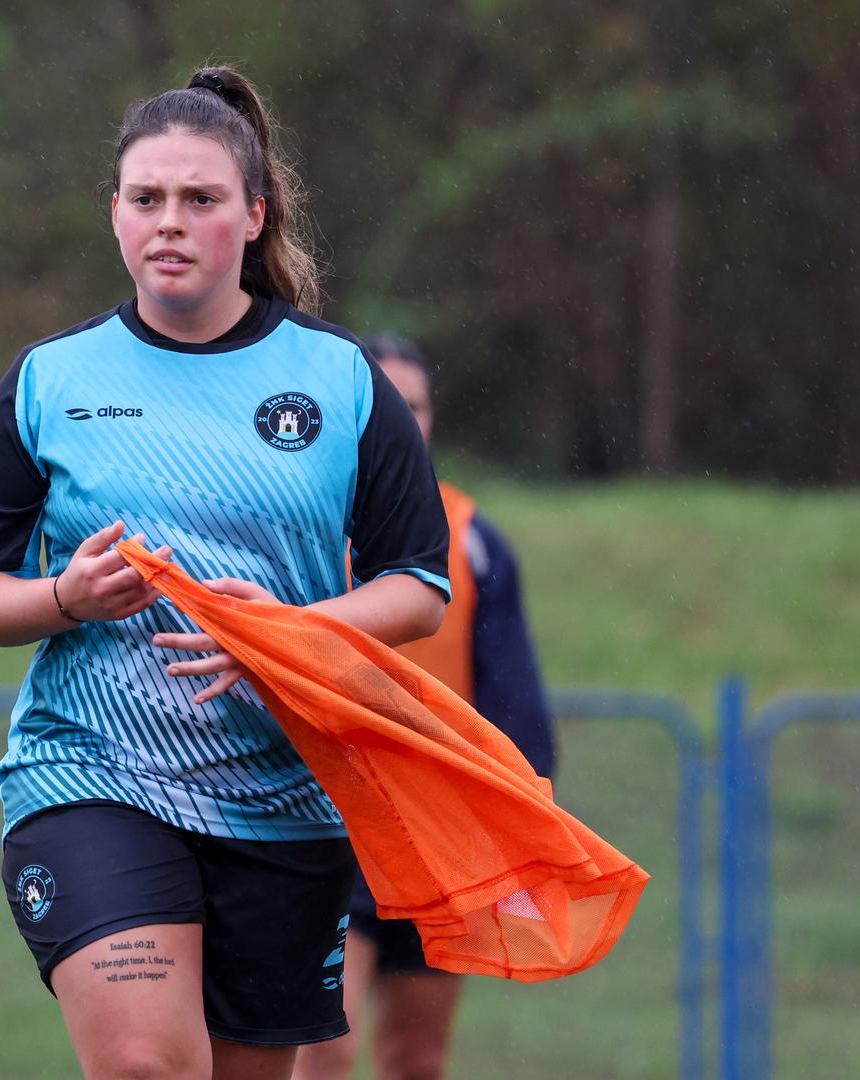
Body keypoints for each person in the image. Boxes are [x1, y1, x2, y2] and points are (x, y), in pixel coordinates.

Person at [0, 66, 451, 1080]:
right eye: (146, 198)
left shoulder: (338, 379)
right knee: (146, 1066)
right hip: (93, 776)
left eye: (200, 198)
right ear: (115, 215)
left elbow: (418, 586)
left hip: (285, 797)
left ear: (253, 216)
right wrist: (63, 598)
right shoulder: (50, 381)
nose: (168, 221)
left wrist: (295, 631)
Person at [293, 333, 557, 1080]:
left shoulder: (470, 540)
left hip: (435, 832)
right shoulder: (296, 521)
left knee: (415, 1060)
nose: (404, 421)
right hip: (325, 824)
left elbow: (511, 705)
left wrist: (521, 831)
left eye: (416, 406)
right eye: (387, 404)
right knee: (324, 1045)